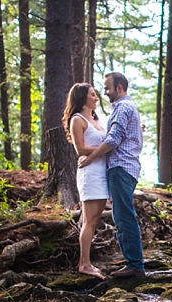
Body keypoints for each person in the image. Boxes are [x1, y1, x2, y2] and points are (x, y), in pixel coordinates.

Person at [79, 72, 145, 278]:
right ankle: (133, 262)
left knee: (124, 215)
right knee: (122, 214)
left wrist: (90, 158)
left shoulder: (123, 107)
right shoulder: (126, 108)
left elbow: (113, 140)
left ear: (119, 88)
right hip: (126, 168)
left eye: (107, 88)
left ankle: (135, 264)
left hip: (121, 167)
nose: (104, 93)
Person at [63, 83, 108, 280]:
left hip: (102, 172)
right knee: (89, 221)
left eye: (96, 94)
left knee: (95, 219)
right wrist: (107, 148)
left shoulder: (97, 120)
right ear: (82, 98)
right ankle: (84, 263)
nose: (96, 97)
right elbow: (80, 149)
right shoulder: (77, 119)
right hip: (89, 173)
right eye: (92, 95)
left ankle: (87, 261)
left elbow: (108, 142)